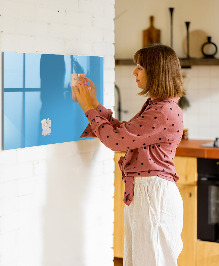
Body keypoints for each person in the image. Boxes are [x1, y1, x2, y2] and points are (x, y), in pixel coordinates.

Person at [73, 44, 185, 266]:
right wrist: (94, 103)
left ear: (156, 72)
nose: (134, 72)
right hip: (148, 193)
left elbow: (116, 141)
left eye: (140, 67)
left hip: (153, 195)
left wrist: (88, 108)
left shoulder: (162, 111)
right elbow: (124, 133)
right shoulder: (158, 106)